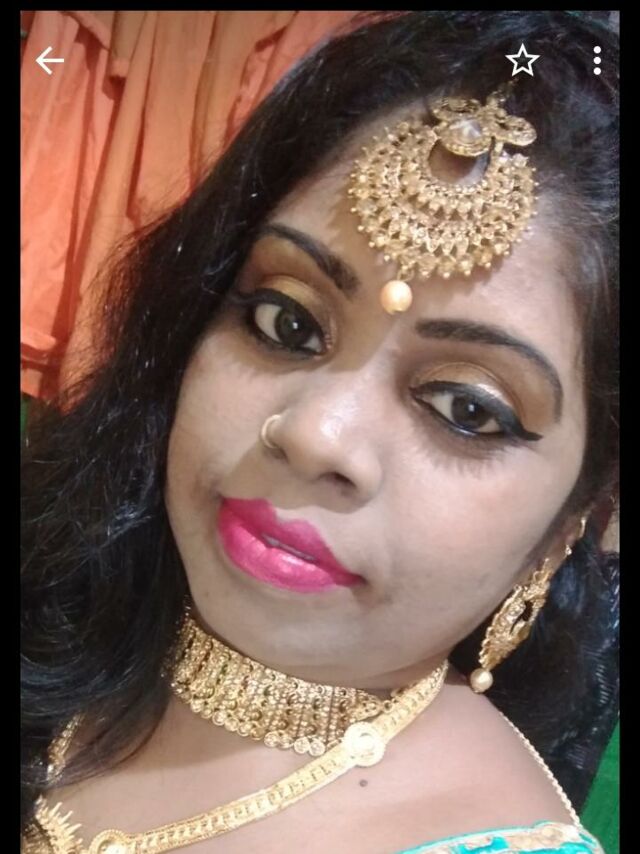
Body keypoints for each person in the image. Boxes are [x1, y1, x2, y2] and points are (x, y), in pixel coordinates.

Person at [21, 11, 619, 853]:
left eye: (467, 409)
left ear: (572, 518)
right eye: (287, 322)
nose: (315, 434)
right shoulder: (61, 593)